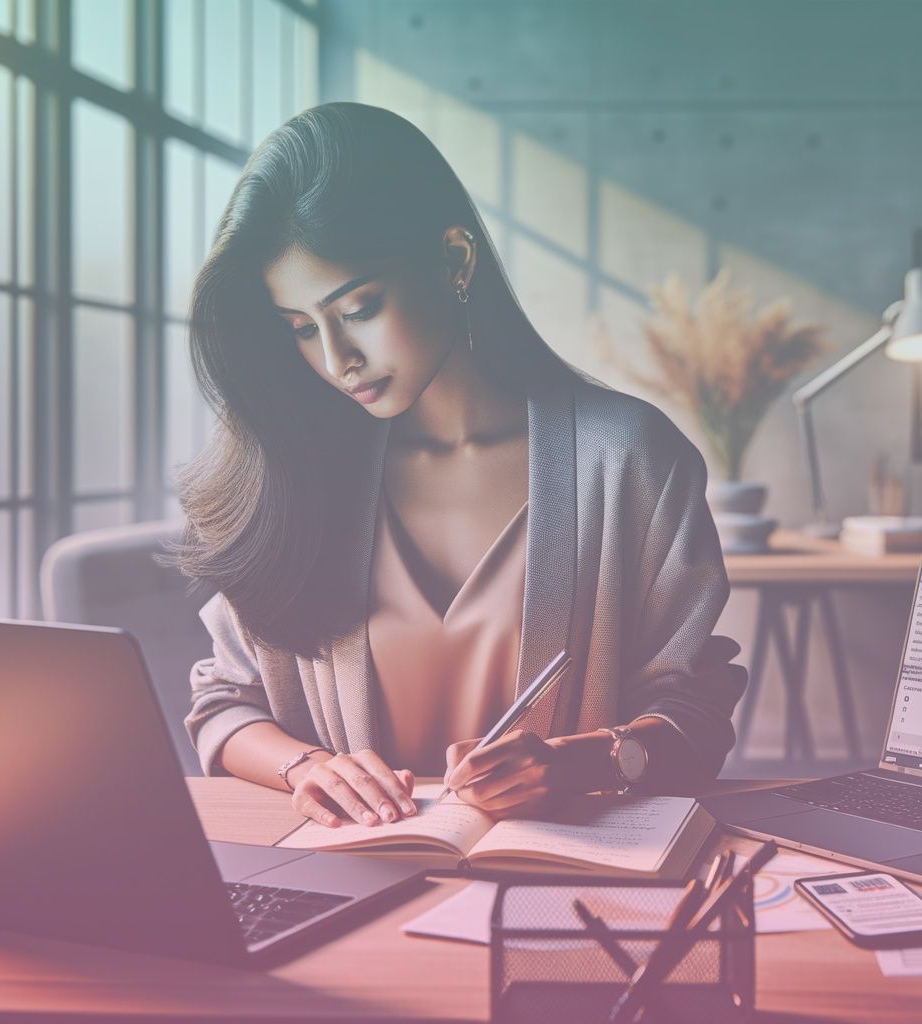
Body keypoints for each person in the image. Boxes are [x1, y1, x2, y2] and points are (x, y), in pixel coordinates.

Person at [172, 102, 746, 830]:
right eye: (300, 330)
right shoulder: (293, 473)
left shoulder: (628, 457)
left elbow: (694, 709)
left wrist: (580, 763)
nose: (337, 358)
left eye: (359, 307)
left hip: (558, 890)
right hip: (350, 885)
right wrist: (307, 767)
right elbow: (223, 705)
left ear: (454, 259)